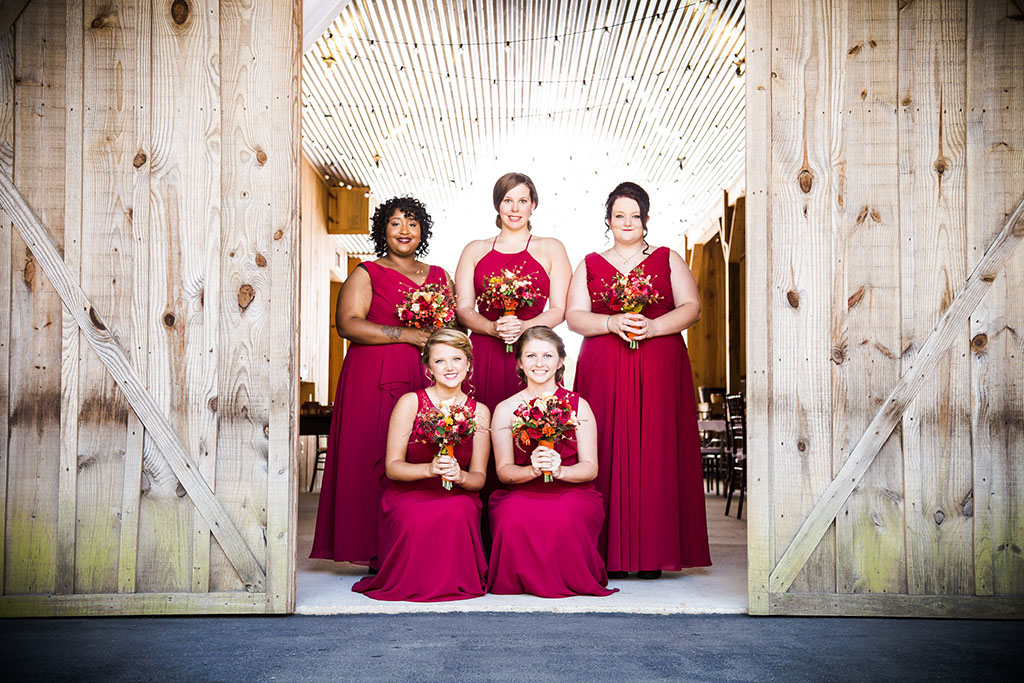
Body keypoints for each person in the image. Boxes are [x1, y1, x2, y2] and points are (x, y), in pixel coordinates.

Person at [566, 181, 711, 578]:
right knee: (605, 444)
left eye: (635, 215)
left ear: (646, 219)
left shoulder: (668, 258)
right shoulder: (589, 263)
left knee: (657, 449)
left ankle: (653, 553)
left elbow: (692, 306)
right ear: (608, 220)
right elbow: (574, 316)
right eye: (619, 215)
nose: (627, 222)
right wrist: (611, 322)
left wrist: (654, 326)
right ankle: (608, 551)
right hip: (604, 366)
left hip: (659, 364)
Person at [311, 196, 451, 570]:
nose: (404, 230)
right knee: (374, 451)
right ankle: (375, 548)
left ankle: (422, 542)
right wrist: (406, 334)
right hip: (374, 377)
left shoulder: (440, 276)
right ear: (382, 230)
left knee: (424, 448)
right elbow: (348, 324)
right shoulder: (367, 273)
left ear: (422, 231)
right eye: (395, 223)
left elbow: (452, 327)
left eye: (412, 223)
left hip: (426, 374)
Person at [454, 173, 571, 541]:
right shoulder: (475, 249)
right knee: (481, 435)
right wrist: (492, 328)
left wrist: (524, 326)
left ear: (533, 204)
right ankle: (478, 531)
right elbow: (463, 309)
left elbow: (560, 308)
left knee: (533, 430)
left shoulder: (551, 248)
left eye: (522, 200)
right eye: (508, 200)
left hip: (533, 356)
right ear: (497, 204)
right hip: (485, 354)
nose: (515, 208)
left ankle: (527, 526)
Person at [353, 329, 491, 601]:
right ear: (428, 368)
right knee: (414, 515)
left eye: (456, 359)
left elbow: (479, 478)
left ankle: (453, 581)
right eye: (440, 361)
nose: (449, 367)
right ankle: (414, 580)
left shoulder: (481, 412)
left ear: (468, 364)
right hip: (409, 493)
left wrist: (459, 476)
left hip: (457, 494)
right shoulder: (410, 402)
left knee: (459, 510)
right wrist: (429, 469)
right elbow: (393, 467)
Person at [486, 327, 615, 598]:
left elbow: (590, 468)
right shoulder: (505, 409)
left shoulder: (579, 406)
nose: (539, 363)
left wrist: (560, 470)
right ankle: (520, 581)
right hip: (523, 490)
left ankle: (568, 579)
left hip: (571, 490)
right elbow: (504, 472)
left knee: (565, 515)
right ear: (520, 363)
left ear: (560, 362)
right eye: (530, 356)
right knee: (511, 515)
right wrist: (533, 470)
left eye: (547, 355)